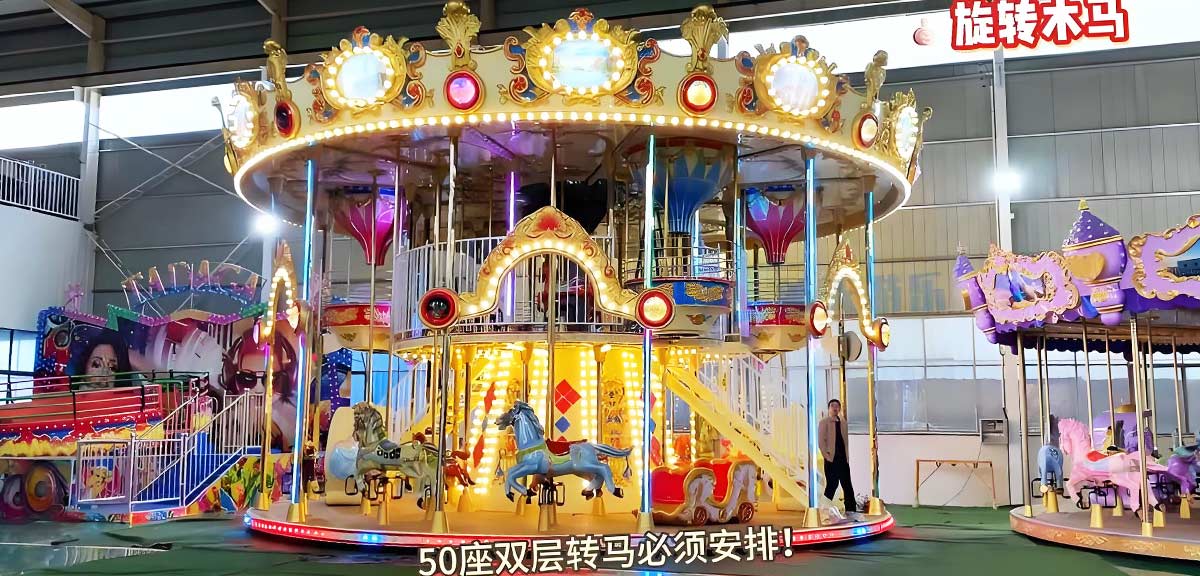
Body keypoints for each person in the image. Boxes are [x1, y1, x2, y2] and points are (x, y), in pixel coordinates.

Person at [818, 398, 856, 512]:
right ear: (829, 408)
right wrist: (827, 457)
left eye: (837, 406)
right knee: (832, 485)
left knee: (847, 485)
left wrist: (847, 457)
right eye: (832, 406)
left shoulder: (843, 422)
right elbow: (821, 442)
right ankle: (824, 509)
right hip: (831, 459)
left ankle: (851, 510)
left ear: (839, 408)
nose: (835, 408)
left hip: (843, 459)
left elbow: (845, 441)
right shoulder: (824, 422)